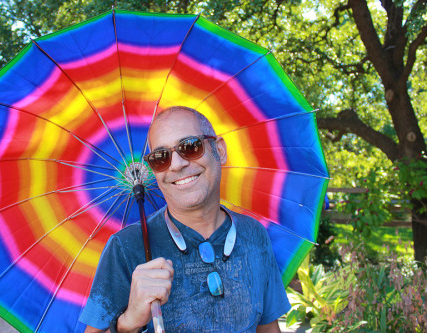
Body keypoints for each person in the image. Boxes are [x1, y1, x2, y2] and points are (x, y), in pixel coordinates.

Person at [80, 106, 291, 332]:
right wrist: (129, 322)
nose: (177, 164)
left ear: (219, 150)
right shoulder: (127, 247)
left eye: (190, 147)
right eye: (161, 157)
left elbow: (268, 328)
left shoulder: (254, 234)